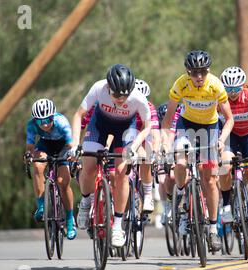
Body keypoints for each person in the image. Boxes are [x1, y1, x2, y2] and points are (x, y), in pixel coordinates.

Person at [70, 64, 151, 248]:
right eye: (116, 95)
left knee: (122, 172)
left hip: (126, 129)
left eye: (125, 95)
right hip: (100, 125)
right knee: (89, 166)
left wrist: (135, 146)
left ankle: (117, 226)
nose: (121, 99)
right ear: (108, 87)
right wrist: (75, 144)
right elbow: (78, 115)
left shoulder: (137, 97)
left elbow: (147, 126)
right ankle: (85, 201)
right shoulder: (98, 88)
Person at [161, 50, 234, 252]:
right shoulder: (180, 84)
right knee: (181, 162)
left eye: (202, 72)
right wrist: (166, 142)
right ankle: (183, 199)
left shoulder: (216, 86)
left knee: (209, 178)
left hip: (210, 129)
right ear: (188, 72)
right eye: (194, 73)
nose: (199, 77)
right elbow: (168, 120)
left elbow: (229, 119)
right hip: (187, 125)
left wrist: (221, 140)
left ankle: (212, 228)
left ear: (207, 71)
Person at [218, 66, 248, 239]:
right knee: (224, 165)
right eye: (228, 89)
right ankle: (226, 205)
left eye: (236, 89)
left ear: (243, 86)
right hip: (231, 135)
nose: (232, 93)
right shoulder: (221, 99)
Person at [24, 98, 77, 240]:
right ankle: (41, 206)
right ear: (35, 120)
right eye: (41, 121)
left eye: (48, 119)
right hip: (45, 145)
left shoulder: (62, 123)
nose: (46, 124)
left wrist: (73, 157)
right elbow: (30, 145)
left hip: (63, 147)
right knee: (37, 164)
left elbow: (71, 144)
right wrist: (28, 155)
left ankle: (70, 220)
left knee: (63, 182)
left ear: (53, 116)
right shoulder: (31, 125)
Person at [134, 79, 161, 215]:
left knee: (146, 157)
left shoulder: (150, 107)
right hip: (129, 134)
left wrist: (155, 152)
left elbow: (155, 133)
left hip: (144, 135)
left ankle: (148, 195)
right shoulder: (126, 105)